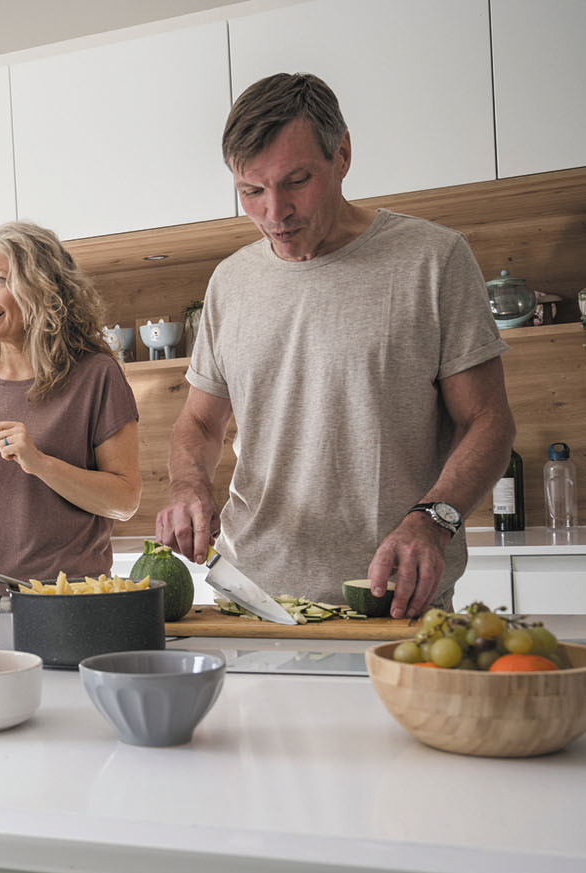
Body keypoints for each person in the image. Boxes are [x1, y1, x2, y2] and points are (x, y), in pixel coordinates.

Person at [156, 73, 515, 617]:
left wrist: (433, 520)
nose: (275, 213)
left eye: (296, 181)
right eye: (251, 191)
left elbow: (488, 420)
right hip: (249, 596)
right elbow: (202, 424)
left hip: (394, 597)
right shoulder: (229, 282)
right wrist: (187, 483)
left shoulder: (433, 260)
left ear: (342, 154)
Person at [0, 221, 142, 610]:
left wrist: (39, 463)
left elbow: (124, 500)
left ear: (42, 290)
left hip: (65, 604)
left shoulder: (95, 375)